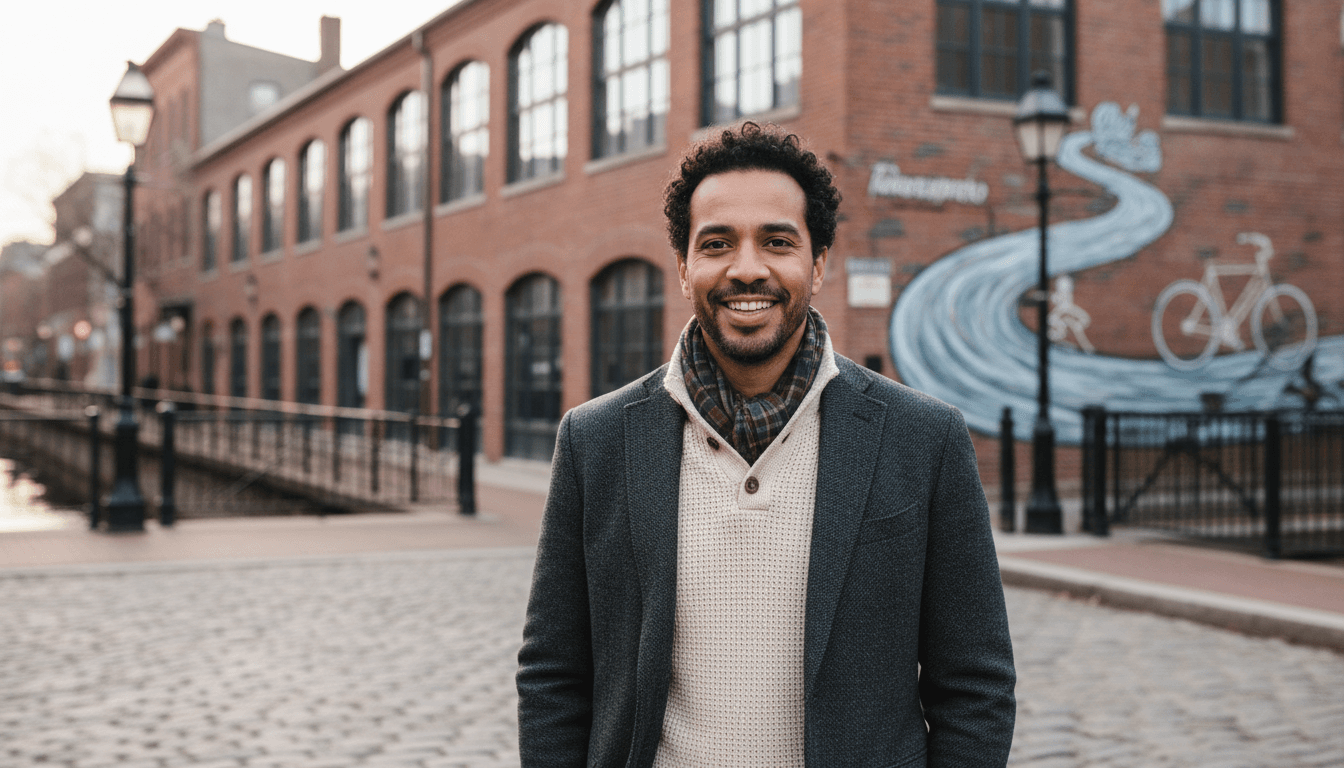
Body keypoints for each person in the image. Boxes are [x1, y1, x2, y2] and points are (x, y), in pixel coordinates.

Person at [517, 123, 1015, 768]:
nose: (747, 268)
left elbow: (975, 685)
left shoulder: (923, 439)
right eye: (717, 243)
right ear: (682, 266)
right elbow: (554, 675)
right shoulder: (596, 441)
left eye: (777, 241)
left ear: (819, 261)